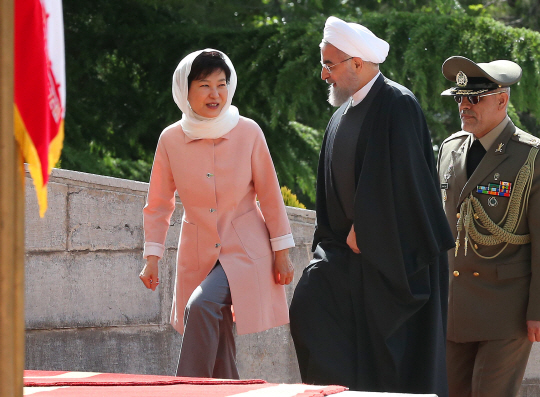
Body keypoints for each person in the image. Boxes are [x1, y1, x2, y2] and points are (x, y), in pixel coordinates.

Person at [289, 16, 455, 395]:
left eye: (329, 65)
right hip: (346, 262)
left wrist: (369, 227)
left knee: (390, 371)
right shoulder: (340, 115)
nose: (323, 75)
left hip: (394, 264)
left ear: (358, 64)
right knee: (311, 308)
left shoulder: (398, 105)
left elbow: (411, 190)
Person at [139, 49, 295, 379]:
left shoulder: (249, 131)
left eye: (221, 84)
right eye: (204, 85)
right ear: (185, 90)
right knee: (220, 335)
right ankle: (229, 388)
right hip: (197, 251)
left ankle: (185, 389)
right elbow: (159, 203)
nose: (215, 94)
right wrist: (152, 256)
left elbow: (269, 195)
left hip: (245, 249)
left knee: (201, 305)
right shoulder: (170, 139)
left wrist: (281, 252)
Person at [437, 56, 540, 397]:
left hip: (505, 311)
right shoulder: (449, 150)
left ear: (501, 99)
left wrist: (537, 310)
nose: (464, 105)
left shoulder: (531, 157)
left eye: (474, 98)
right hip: (454, 309)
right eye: (459, 98)